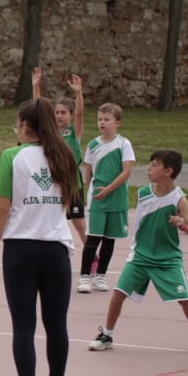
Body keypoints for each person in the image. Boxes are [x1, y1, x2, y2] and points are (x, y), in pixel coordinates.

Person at [0, 98, 79, 376]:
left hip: (20, 249)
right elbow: (70, 203)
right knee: (57, 325)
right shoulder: (64, 156)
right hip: (55, 248)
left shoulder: (12, 156)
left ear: (25, 126)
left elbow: (2, 207)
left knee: (23, 326)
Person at [87, 150, 188, 352]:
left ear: (168, 171)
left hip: (167, 259)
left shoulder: (179, 200)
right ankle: (107, 335)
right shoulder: (143, 193)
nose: (149, 168)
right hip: (140, 256)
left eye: (154, 165)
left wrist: (183, 225)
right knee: (119, 293)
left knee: (184, 299)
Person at [77, 102, 135, 294]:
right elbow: (88, 173)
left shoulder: (124, 144)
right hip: (98, 200)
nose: (102, 122)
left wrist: (109, 189)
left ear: (117, 122)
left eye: (107, 119)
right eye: (100, 119)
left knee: (109, 240)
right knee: (93, 238)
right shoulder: (93, 145)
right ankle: (85, 276)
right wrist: (91, 192)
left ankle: (101, 275)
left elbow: (126, 171)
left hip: (116, 199)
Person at [31, 67, 85, 244]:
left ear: (70, 114)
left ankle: (92, 255)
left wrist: (78, 94)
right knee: (49, 219)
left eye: (64, 112)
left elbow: (80, 114)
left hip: (72, 181)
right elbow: (38, 110)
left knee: (78, 222)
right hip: (53, 181)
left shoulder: (73, 132)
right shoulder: (50, 132)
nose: (60, 115)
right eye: (57, 112)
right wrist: (36, 87)